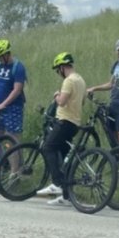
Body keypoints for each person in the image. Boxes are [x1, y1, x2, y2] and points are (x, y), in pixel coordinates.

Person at [37, 52, 86, 206]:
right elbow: (82, 102)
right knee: (64, 157)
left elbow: (62, 102)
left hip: (64, 121)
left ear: (62, 67)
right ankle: (67, 196)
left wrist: (57, 95)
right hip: (75, 123)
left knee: (48, 147)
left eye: (58, 69)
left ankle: (57, 183)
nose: (58, 73)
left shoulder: (68, 81)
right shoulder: (81, 80)